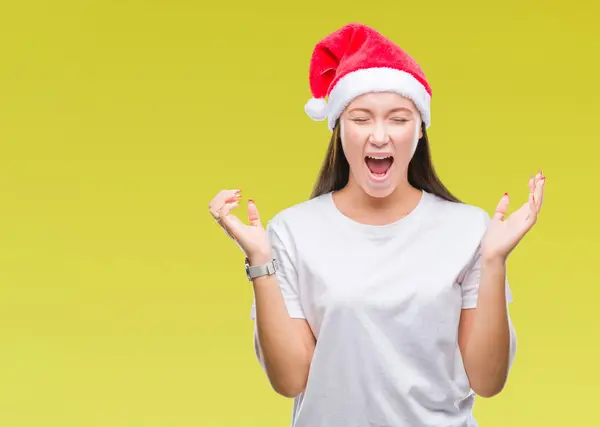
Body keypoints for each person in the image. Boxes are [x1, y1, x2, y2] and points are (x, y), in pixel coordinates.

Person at [208, 22, 545, 427]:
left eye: (399, 119)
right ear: (339, 128)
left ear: (419, 130)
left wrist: (493, 261)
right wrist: (260, 260)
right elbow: (290, 379)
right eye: (361, 118)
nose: (380, 136)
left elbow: (488, 381)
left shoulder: (469, 229)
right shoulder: (292, 231)